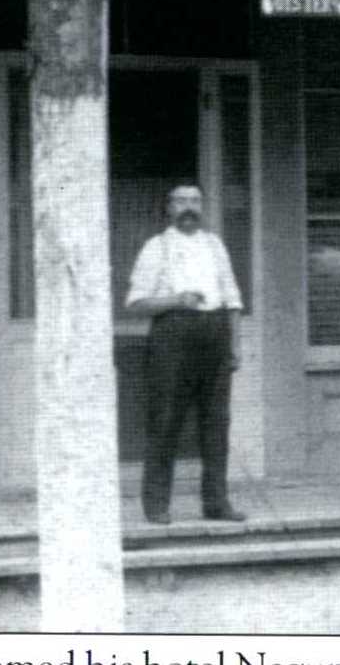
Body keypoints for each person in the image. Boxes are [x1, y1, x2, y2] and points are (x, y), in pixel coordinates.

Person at [124, 184, 246, 525]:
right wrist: (177, 300)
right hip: (173, 335)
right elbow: (135, 303)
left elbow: (233, 298)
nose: (188, 207)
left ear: (203, 207)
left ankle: (217, 503)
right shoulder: (156, 247)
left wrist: (235, 345)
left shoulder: (214, 244)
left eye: (195, 201)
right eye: (181, 201)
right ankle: (157, 505)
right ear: (169, 207)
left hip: (215, 333)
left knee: (216, 423)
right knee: (165, 421)